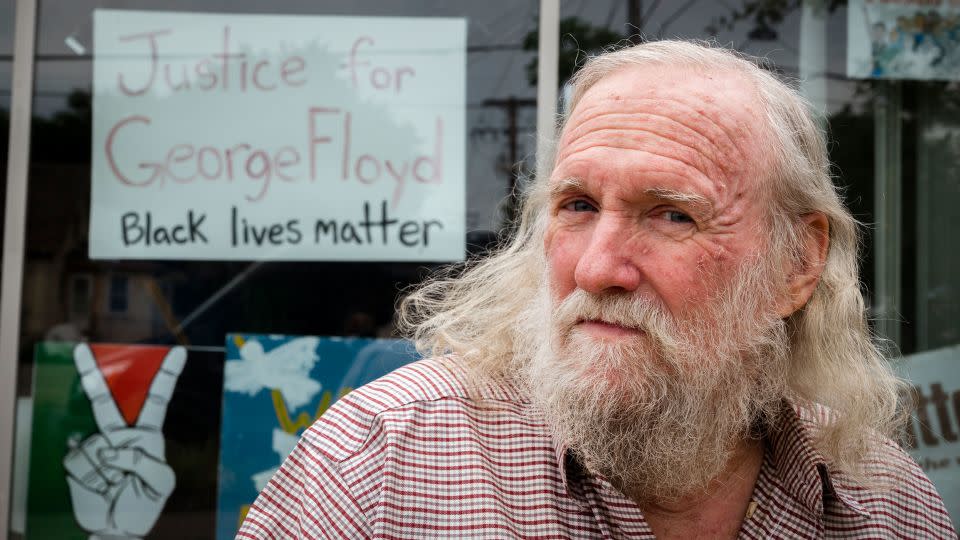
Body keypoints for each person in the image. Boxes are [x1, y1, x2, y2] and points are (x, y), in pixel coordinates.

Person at [237, 40, 955, 539]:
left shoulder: (882, 504)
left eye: (673, 214)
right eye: (577, 205)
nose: (596, 268)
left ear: (797, 264)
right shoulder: (384, 461)